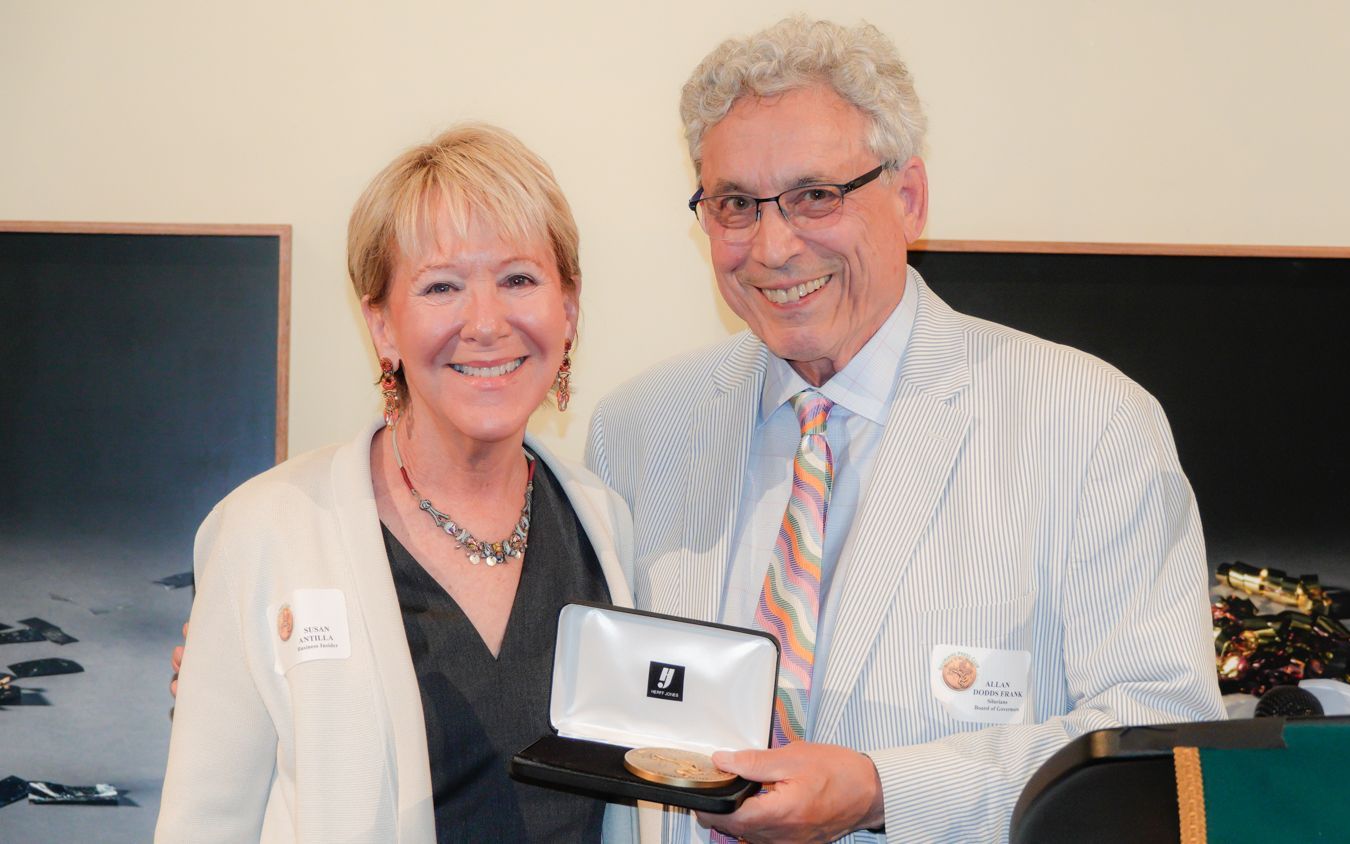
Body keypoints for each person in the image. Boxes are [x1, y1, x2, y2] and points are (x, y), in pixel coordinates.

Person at [584, 17, 1227, 842]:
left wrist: (885, 789)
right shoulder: (638, 431)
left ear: (910, 198)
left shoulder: (1089, 425)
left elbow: (1161, 746)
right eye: (736, 205)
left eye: (816, 195)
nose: (774, 246)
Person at [157, 124, 637, 842]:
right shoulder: (267, 532)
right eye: (442, 286)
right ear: (381, 324)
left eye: (519, 279)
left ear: (567, 308)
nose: (485, 323)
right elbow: (206, 823)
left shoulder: (605, 525)